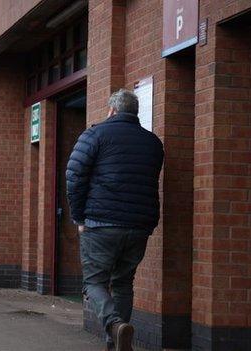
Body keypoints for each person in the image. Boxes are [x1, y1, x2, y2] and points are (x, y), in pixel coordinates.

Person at [66, 89, 164, 351]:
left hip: (101, 224)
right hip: (139, 226)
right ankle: (116, 344)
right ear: (135, 112)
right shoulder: (153, 143)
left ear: (111, 110)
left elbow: (74, 177)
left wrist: (78, 217)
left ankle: (114, 325)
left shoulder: (95, 135)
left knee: (94, 282)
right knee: (123, 283)